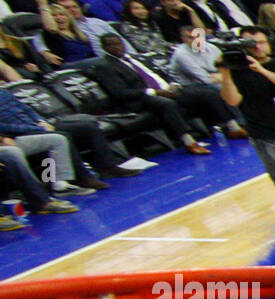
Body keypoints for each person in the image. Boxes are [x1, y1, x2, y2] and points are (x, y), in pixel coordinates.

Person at [94, 32, 247, 155]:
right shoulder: (105, 66)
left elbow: (158, 74)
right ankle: (189, 142)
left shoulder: (136, 58)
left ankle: (233, 127)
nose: (117, 47)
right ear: (103, 47)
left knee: (206, 92)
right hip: (140, 99)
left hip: (167, 90)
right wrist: (155, 91)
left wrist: (172, 85)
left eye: (118, 43)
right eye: (111, 45)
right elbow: (119, 93)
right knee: (166, 104)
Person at [218, 27, 275, 217]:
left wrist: (261, 70)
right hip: (263, 130)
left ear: (268, 44)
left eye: (260, 42)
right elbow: (232, 100)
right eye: (251, 44)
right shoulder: (237, 73)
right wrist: (225, 74)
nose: (257, 47)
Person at [0, 83, 144, 180]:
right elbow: (4, 127)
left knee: (88, 127)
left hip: (39, 125)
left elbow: (26, 108)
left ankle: (108, 167)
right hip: (20, 133)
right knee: (62, 137)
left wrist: (40, 121)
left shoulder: (3, 92)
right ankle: (82, 177)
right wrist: (37, 128)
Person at [32, 0, 96, 64]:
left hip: (91, 65)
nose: (59, 18)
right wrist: (43, 5)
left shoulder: (81, 35)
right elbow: (51, 28)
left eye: (62, 14)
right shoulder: (51, 36)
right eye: (53, 15)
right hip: (70, 67)